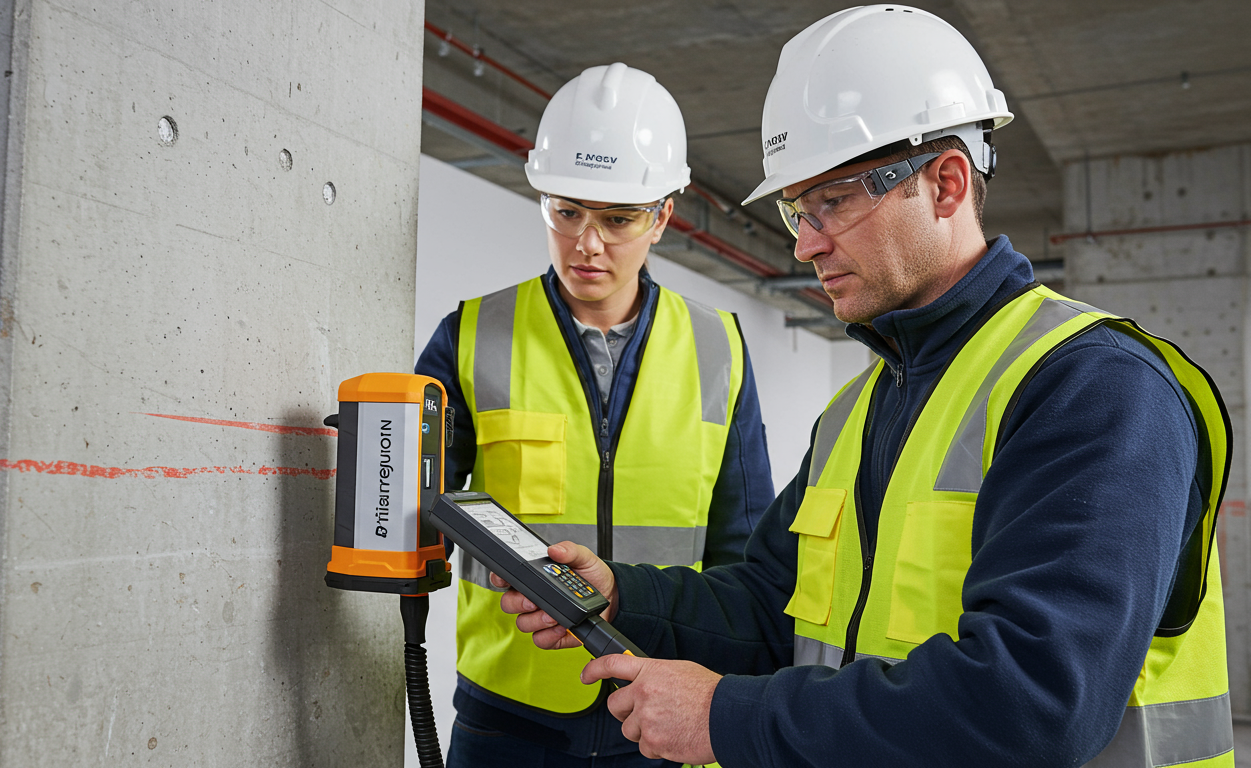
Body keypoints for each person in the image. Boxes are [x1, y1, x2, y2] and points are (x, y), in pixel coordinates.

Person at [497, 6, 1234, 767]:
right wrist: (624, 595)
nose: (804, 244)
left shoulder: (1095, 387)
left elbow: (1033, 699)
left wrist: (728, 716)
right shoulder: (858, 410)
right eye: (797, 209)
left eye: (835, 202)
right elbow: (770, 606)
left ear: (946, 184)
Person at [415, 62, 775, 767]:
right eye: (567, 211)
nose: (587, 243)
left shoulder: (719, 347)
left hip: (661, 703)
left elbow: (744, 551)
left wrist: (726, 700)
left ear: (662, 216)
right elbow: (414, 512)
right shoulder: (473, 334)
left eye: (617, 219)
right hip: (507, 710)